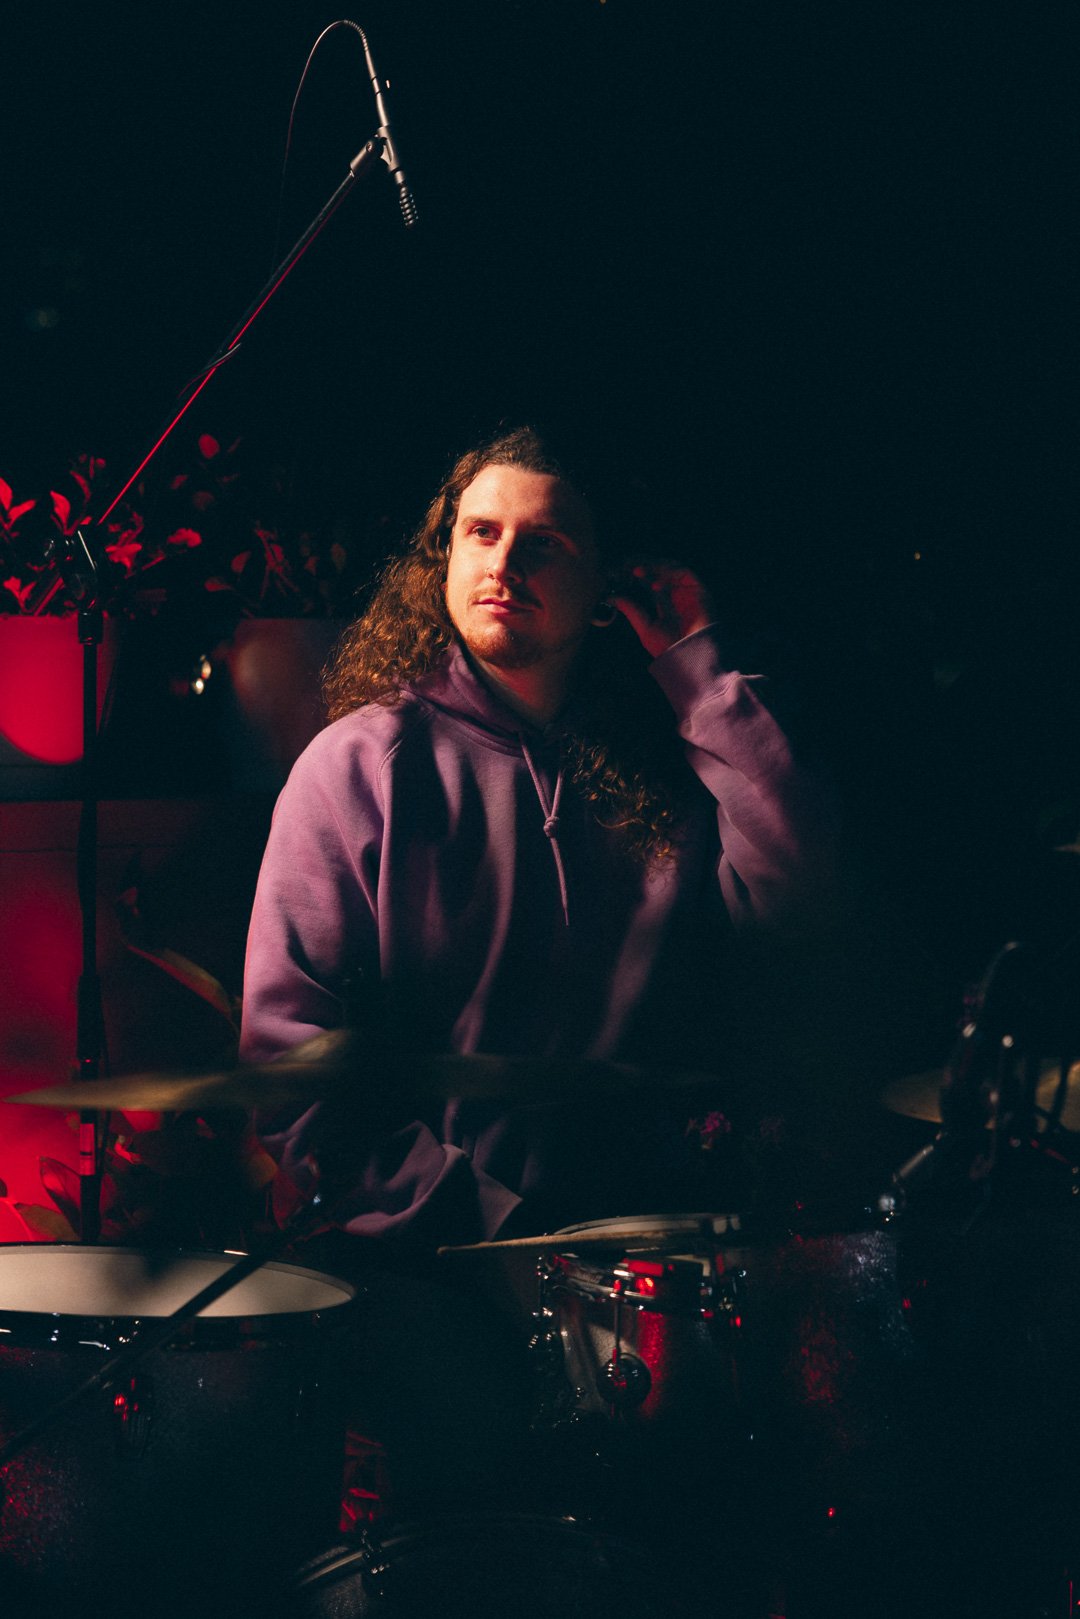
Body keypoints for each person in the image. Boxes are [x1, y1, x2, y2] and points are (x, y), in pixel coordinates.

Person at [239, 425, 835, 1247]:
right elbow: (290, 1066)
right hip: (432, 1264)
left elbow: (806, 913)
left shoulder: (673, 756)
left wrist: (702, 671)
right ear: (443, 556)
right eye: (481, 531)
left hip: (651, 1250)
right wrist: (487, 1230)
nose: (504, 564)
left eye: (544, 542)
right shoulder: (358, 767)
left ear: (604, 588)